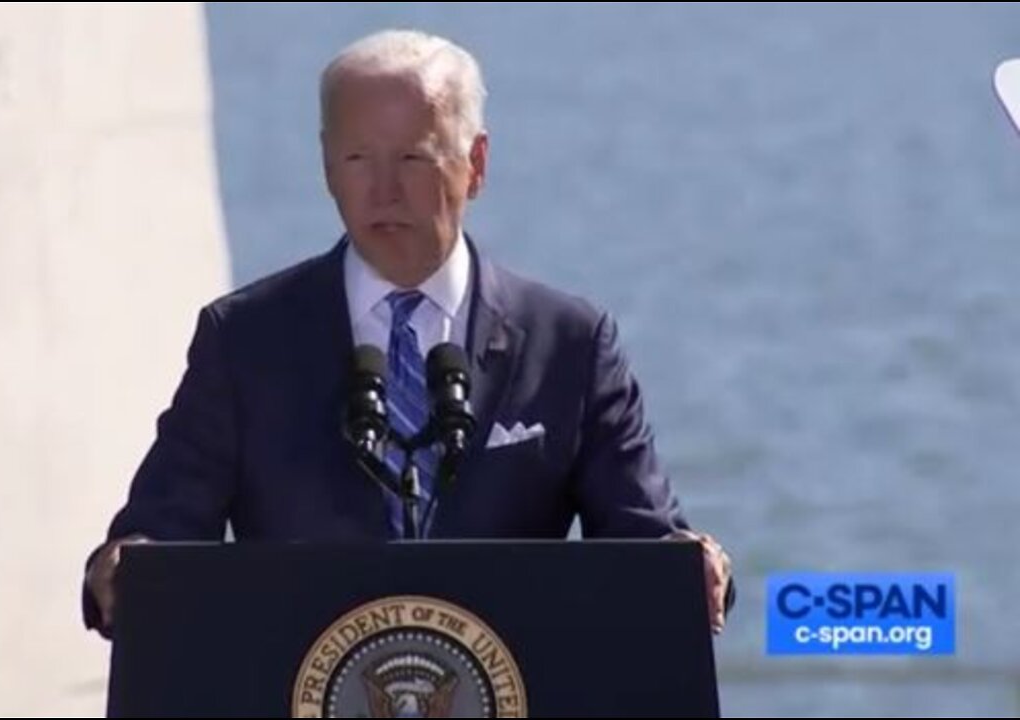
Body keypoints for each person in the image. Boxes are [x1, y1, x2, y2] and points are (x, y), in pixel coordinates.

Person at [83, 28, 733, 638]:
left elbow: (649, 549)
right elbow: (154, 544)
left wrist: (696, 569)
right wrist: (121, 571)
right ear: (327, 166)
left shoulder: (569, 344)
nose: (384, 190)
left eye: (414, 159)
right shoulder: (245, 341)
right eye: (358, 158)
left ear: (475, 163)